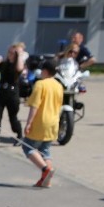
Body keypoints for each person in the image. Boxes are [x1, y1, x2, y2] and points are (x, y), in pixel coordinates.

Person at [22, 58, 62, 188]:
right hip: (53, 121)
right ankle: (46, 179)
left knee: (28, 146)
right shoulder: (59, 85)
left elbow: (35, 105)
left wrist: (29, 123)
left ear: (45, 71)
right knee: (45, 150)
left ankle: (45, 170)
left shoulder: (40, 84)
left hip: (41, 121)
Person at [0, 43, 25, 149]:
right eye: (9, 52)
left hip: (13, 94)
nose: (10, 54)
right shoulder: (3, 64)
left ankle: (19, 135)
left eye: (13, 52)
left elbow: (19, 68)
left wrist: (20, 55)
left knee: (13, 117)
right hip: (1, 92)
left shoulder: (18, 64)